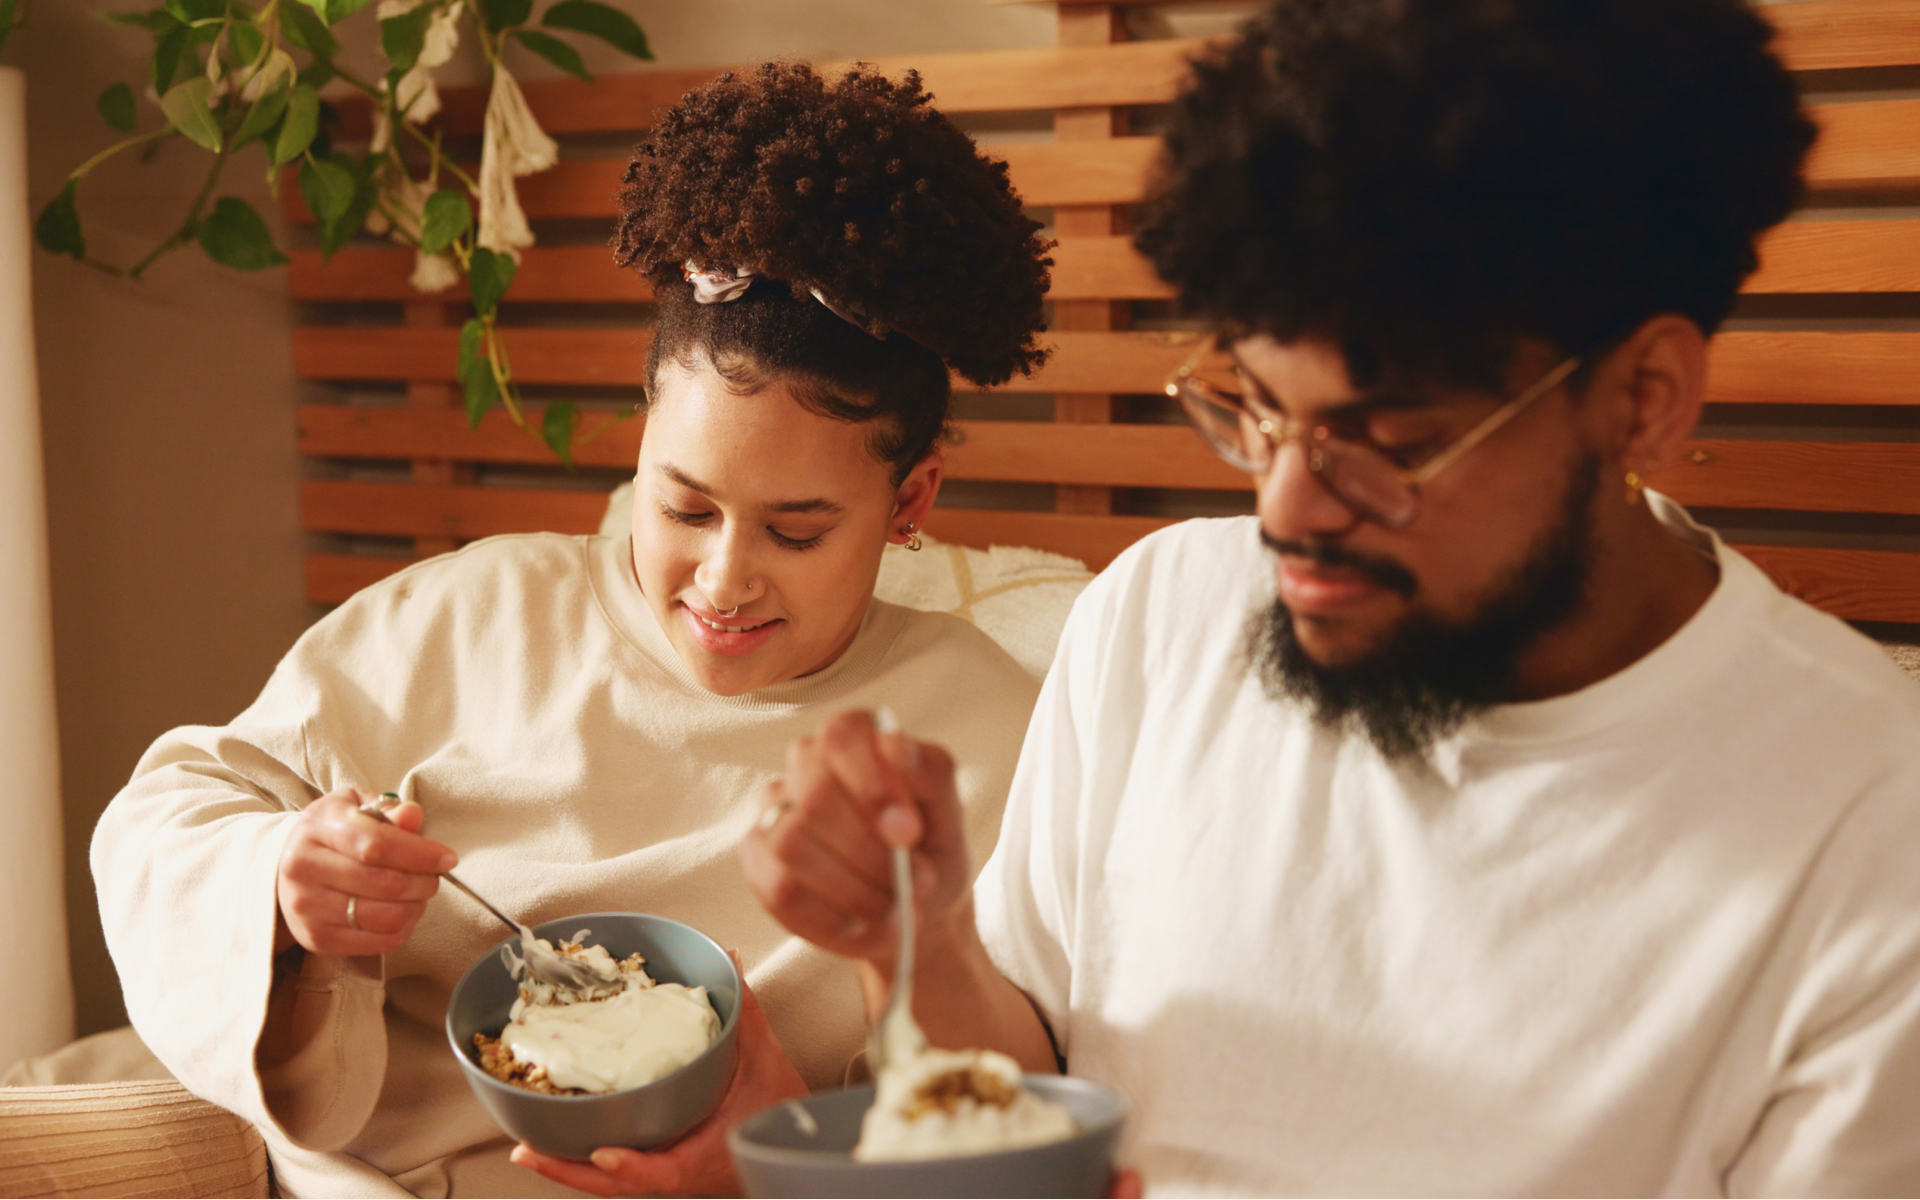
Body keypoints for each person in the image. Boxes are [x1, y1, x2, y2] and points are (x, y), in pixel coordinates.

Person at [745, 2, 1920, 1194]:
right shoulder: (1165, 615)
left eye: (1388, 440)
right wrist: (915, 941)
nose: (1287, 512)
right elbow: (1015, 1092)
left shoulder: (1868, 818)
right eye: (1256, 406)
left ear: (1646, 396)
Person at [90, 62, 1052, 1198]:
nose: (723, 580)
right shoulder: (465, 619)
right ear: (640, 437)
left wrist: (777, 1160)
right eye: (684, 506)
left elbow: (1025, 1121)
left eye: (797, 532)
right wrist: (286, 884)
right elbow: (166, 814)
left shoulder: (995, 740)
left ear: (911, 503)